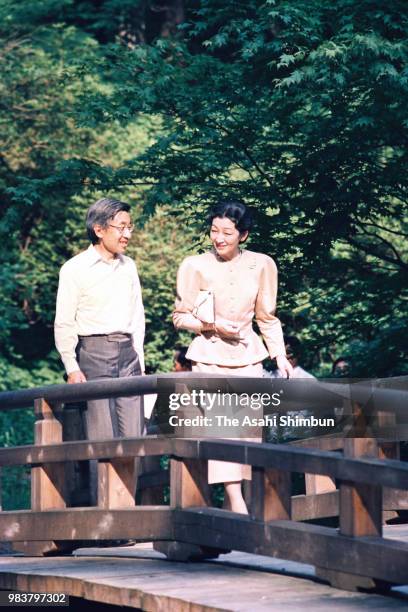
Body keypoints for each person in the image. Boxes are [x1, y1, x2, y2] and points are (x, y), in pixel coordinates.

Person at [173, 200, 292, 513]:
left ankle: (238, 504)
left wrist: (279, 355)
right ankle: (237, 503)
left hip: (249, 356)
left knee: (249, 432)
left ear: (244, 234)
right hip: (209, 356)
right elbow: (180, 317)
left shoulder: (262, 264)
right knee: (222, 427)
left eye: (227, 232)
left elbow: (267, 316)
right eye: (214, 231)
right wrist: (211, 324)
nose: (219, 238)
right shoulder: (194, 265)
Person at [54, 197, 145, 505]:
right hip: (92, 353)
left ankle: (128, 513)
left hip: (128, 353)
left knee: (132, 438)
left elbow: (137, 317)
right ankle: (106, 517)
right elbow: (64, 322)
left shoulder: (128, 266)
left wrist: (140, 360)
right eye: (121, 227)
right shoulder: (75, 269)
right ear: (98, 229)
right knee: (101, 439)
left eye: (129, 226)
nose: (127, 234)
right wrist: (72, 367)